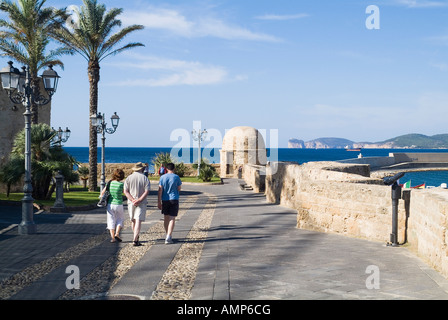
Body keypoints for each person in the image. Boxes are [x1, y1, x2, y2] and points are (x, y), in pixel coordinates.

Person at [124, 162, 151, 246]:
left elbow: (125, 191)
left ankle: (135, 236)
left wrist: (132, 200)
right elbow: (147, 191)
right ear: (142, 169)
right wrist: (139, 200)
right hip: (141, 202)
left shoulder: (128, 178)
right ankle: (135, 239)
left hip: (131, 202)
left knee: (133, 220)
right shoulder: (145, 178)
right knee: (138, 220)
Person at [158, 163, 182, 244]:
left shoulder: (162, 177)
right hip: (174, 198)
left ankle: (167, 234)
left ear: (166, 169)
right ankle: (169, 236)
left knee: (166, 217)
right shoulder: (176, 177)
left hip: (165, 199)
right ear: (174, 168)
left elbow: (160, 190)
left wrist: (159, 201)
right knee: (172, 218)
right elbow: (179, 188)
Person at [100, 168, 125, 243]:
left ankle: (113, 238)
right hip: (119, 204)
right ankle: (117, 233)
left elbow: (102, 193)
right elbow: (125, 192)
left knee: (111, 220)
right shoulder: (121, 184)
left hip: (110, 204)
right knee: (120, 219)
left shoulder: (109, 183)